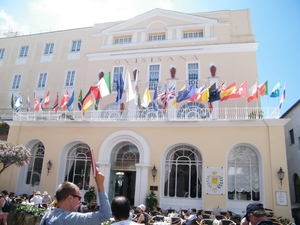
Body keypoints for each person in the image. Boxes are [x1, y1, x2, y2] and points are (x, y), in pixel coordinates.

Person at [39, 167, 111, 225]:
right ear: (70, 198)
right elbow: (105, 215)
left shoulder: (48, 215)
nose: (80, 201)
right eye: (79, 198)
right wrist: (100, 185)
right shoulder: (69, 218)